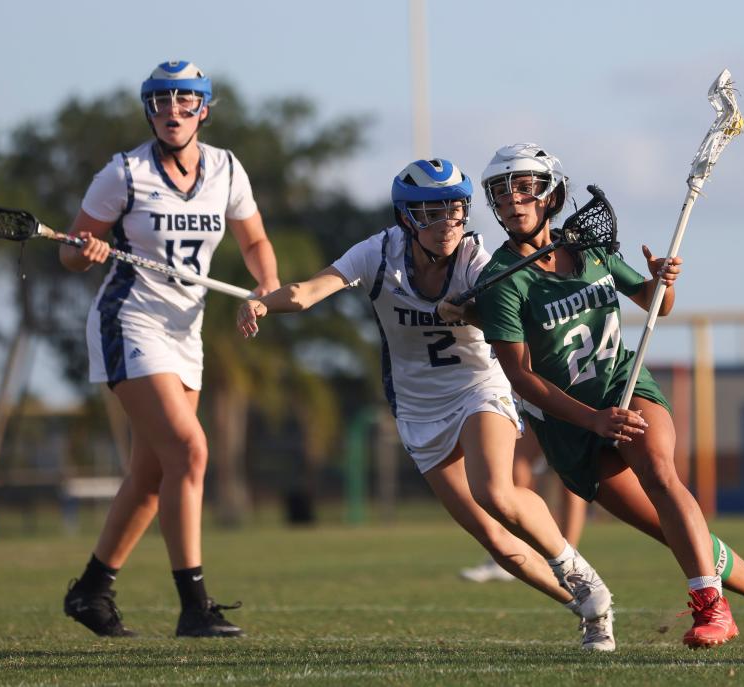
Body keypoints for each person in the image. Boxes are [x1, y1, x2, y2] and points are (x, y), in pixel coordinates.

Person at [464, 142, 744, 649]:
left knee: (660, 474)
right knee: (678, 535)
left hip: (625, 384)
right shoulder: (502, 284)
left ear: (551, 193)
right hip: (571, 424)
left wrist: (665, 280)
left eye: (524, 187)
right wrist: (593, 421)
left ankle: (713, 610)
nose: (513, 201)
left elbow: (655, 304)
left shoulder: (590, 249)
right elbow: (522, 378)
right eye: (502, 194)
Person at [237, 158, 615, 650]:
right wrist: (265, 302)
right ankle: (588, 608)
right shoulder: (378, 253)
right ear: (406, 218)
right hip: (417, 409)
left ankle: (580, 574)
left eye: (455, 212)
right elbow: (309, 291)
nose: (446, 226)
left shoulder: (481, 261)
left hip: (479, 386)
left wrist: (472, 310)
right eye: (431, 214)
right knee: (497, 542)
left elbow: (515, 312)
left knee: (495, 492)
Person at [59, 60, 281, 638]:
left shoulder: (227, 169)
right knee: (190, 449)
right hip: (129, 322)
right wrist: (87, 252)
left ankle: (91, 590)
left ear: (204, 109)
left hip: (186, 331)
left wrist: (263, 287)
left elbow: (254, 238)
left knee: (153, 473)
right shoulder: (124, 174)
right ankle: (194, 605)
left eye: (186, 102)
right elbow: (71, 251)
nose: (173, 112)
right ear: (149, 109)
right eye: (161, 101)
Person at [459, 424, 588, 583]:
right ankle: (511, 553)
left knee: (571, 484)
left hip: (572, 407)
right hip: (534, 405)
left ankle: (568, 563)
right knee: (515, 472)